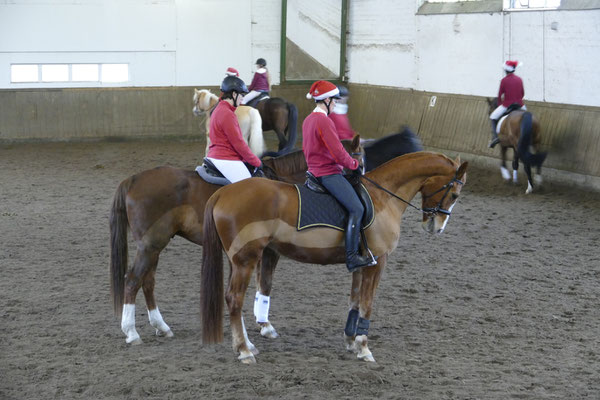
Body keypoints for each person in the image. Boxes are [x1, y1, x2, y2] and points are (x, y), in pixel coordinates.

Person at [303, 80, 376, 272]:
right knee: (357, 209)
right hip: (327, 173)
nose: (335, 104)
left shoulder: (308, 119)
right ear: (326, 100)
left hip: (313, 170)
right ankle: (352, 257)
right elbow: (337, 151)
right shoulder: (324, 121)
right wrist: (354, 164)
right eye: (333, 100)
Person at [205, 75, 262, 183]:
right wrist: (256, 162)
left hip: (215, 155)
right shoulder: (227, 114)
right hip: (226, 159)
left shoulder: (218, 109)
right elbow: (239, 143)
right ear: (234, 94)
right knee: (251, 186)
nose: (242, 99)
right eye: (241, 95)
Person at [489, 60, 526, 148]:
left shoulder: (504, 80)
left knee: (493, 117)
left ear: (506, 70)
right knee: (528, 117)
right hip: (520, 105)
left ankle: (495, 137)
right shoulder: (520, 79)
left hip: (507, 104)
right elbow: (522, 93)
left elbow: (499, 95)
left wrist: (500, 104)